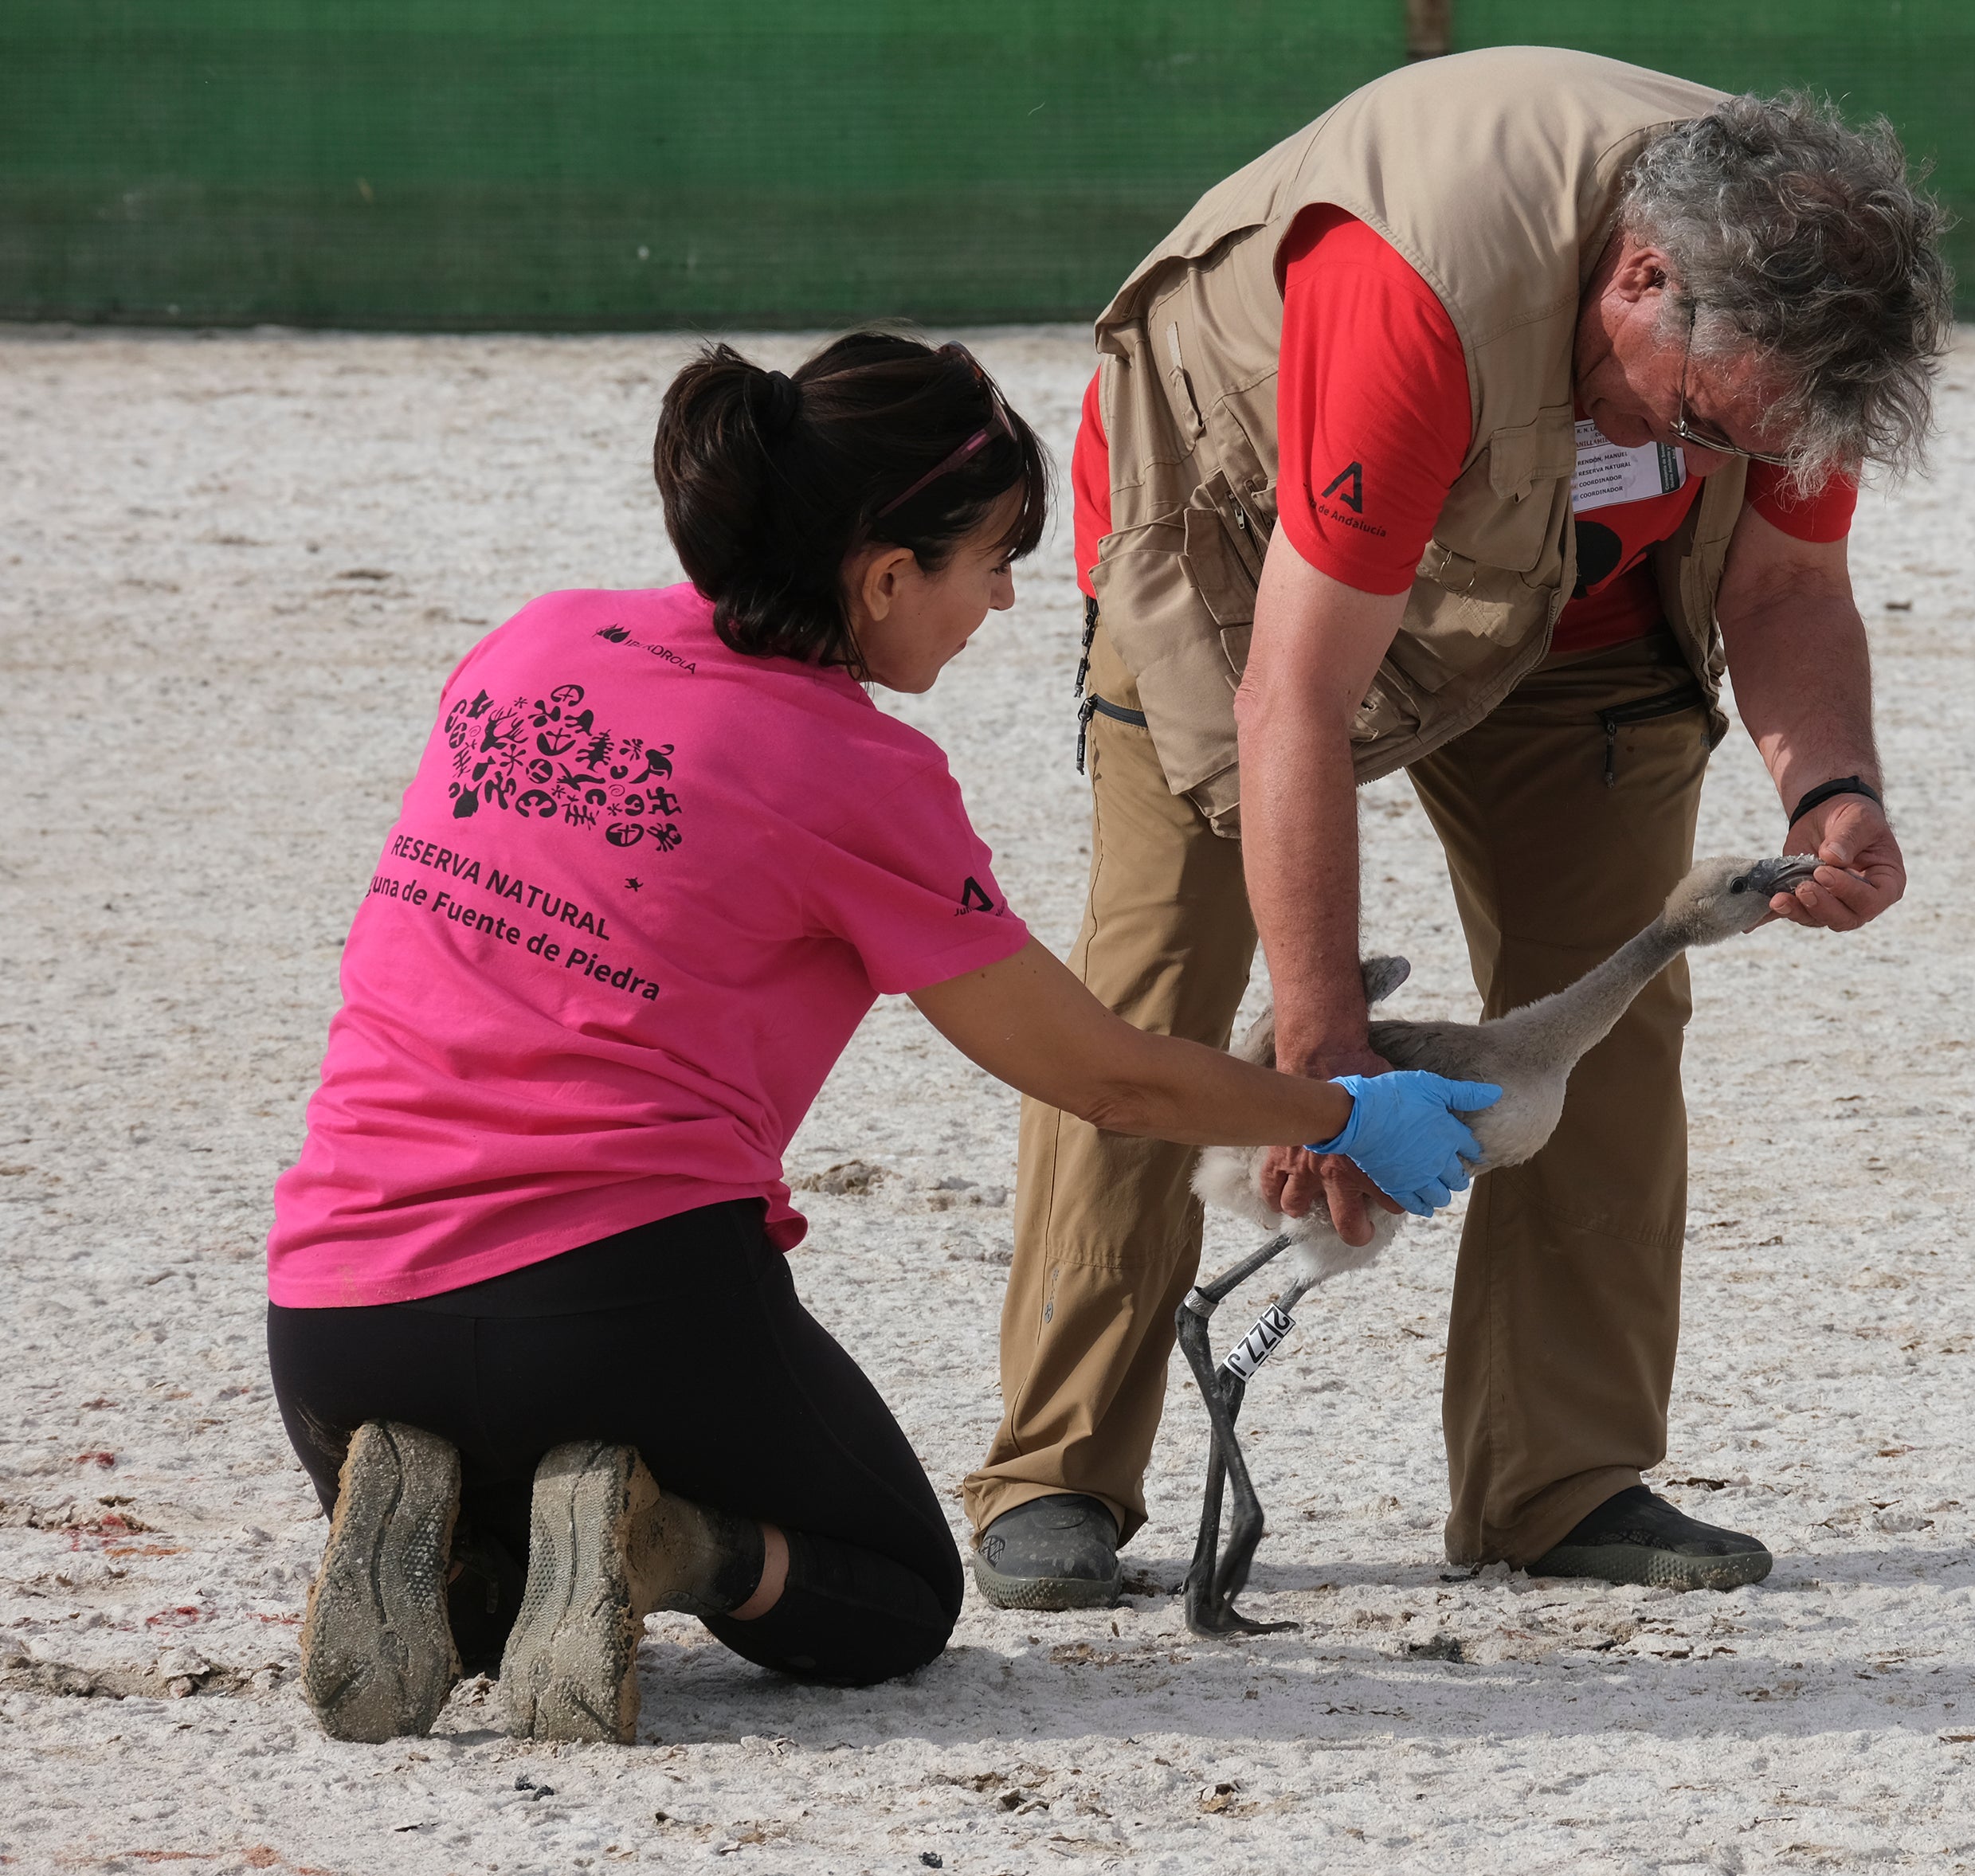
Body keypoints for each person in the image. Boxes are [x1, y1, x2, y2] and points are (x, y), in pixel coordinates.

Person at [264, 331, 1495, 1745]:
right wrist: (1339, 1111)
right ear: (885, 573)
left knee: (507, 1559)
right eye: (989, 561)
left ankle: (446, 1550)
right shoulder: (855, 769)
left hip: (334, 1317)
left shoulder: (528, 643)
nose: (1004, 599)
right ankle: (663, 1547)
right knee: (897, 1592)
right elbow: (1097, 1070)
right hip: (612, 1296)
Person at [964, 47, 1952, 1609]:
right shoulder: (1413, 288)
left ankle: (1553, 1482)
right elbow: (1294, 693)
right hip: (1235, 558)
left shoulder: (1786, 317)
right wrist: (1326, 1066)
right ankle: (1059, 1469)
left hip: (1578, 596)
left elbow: (1782, 584)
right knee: (1152, 998)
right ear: (1638, 279)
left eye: (1745, 444)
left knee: (1606, 1010)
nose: (1718, 457)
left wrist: (1831, 786)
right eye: (1696, 416)